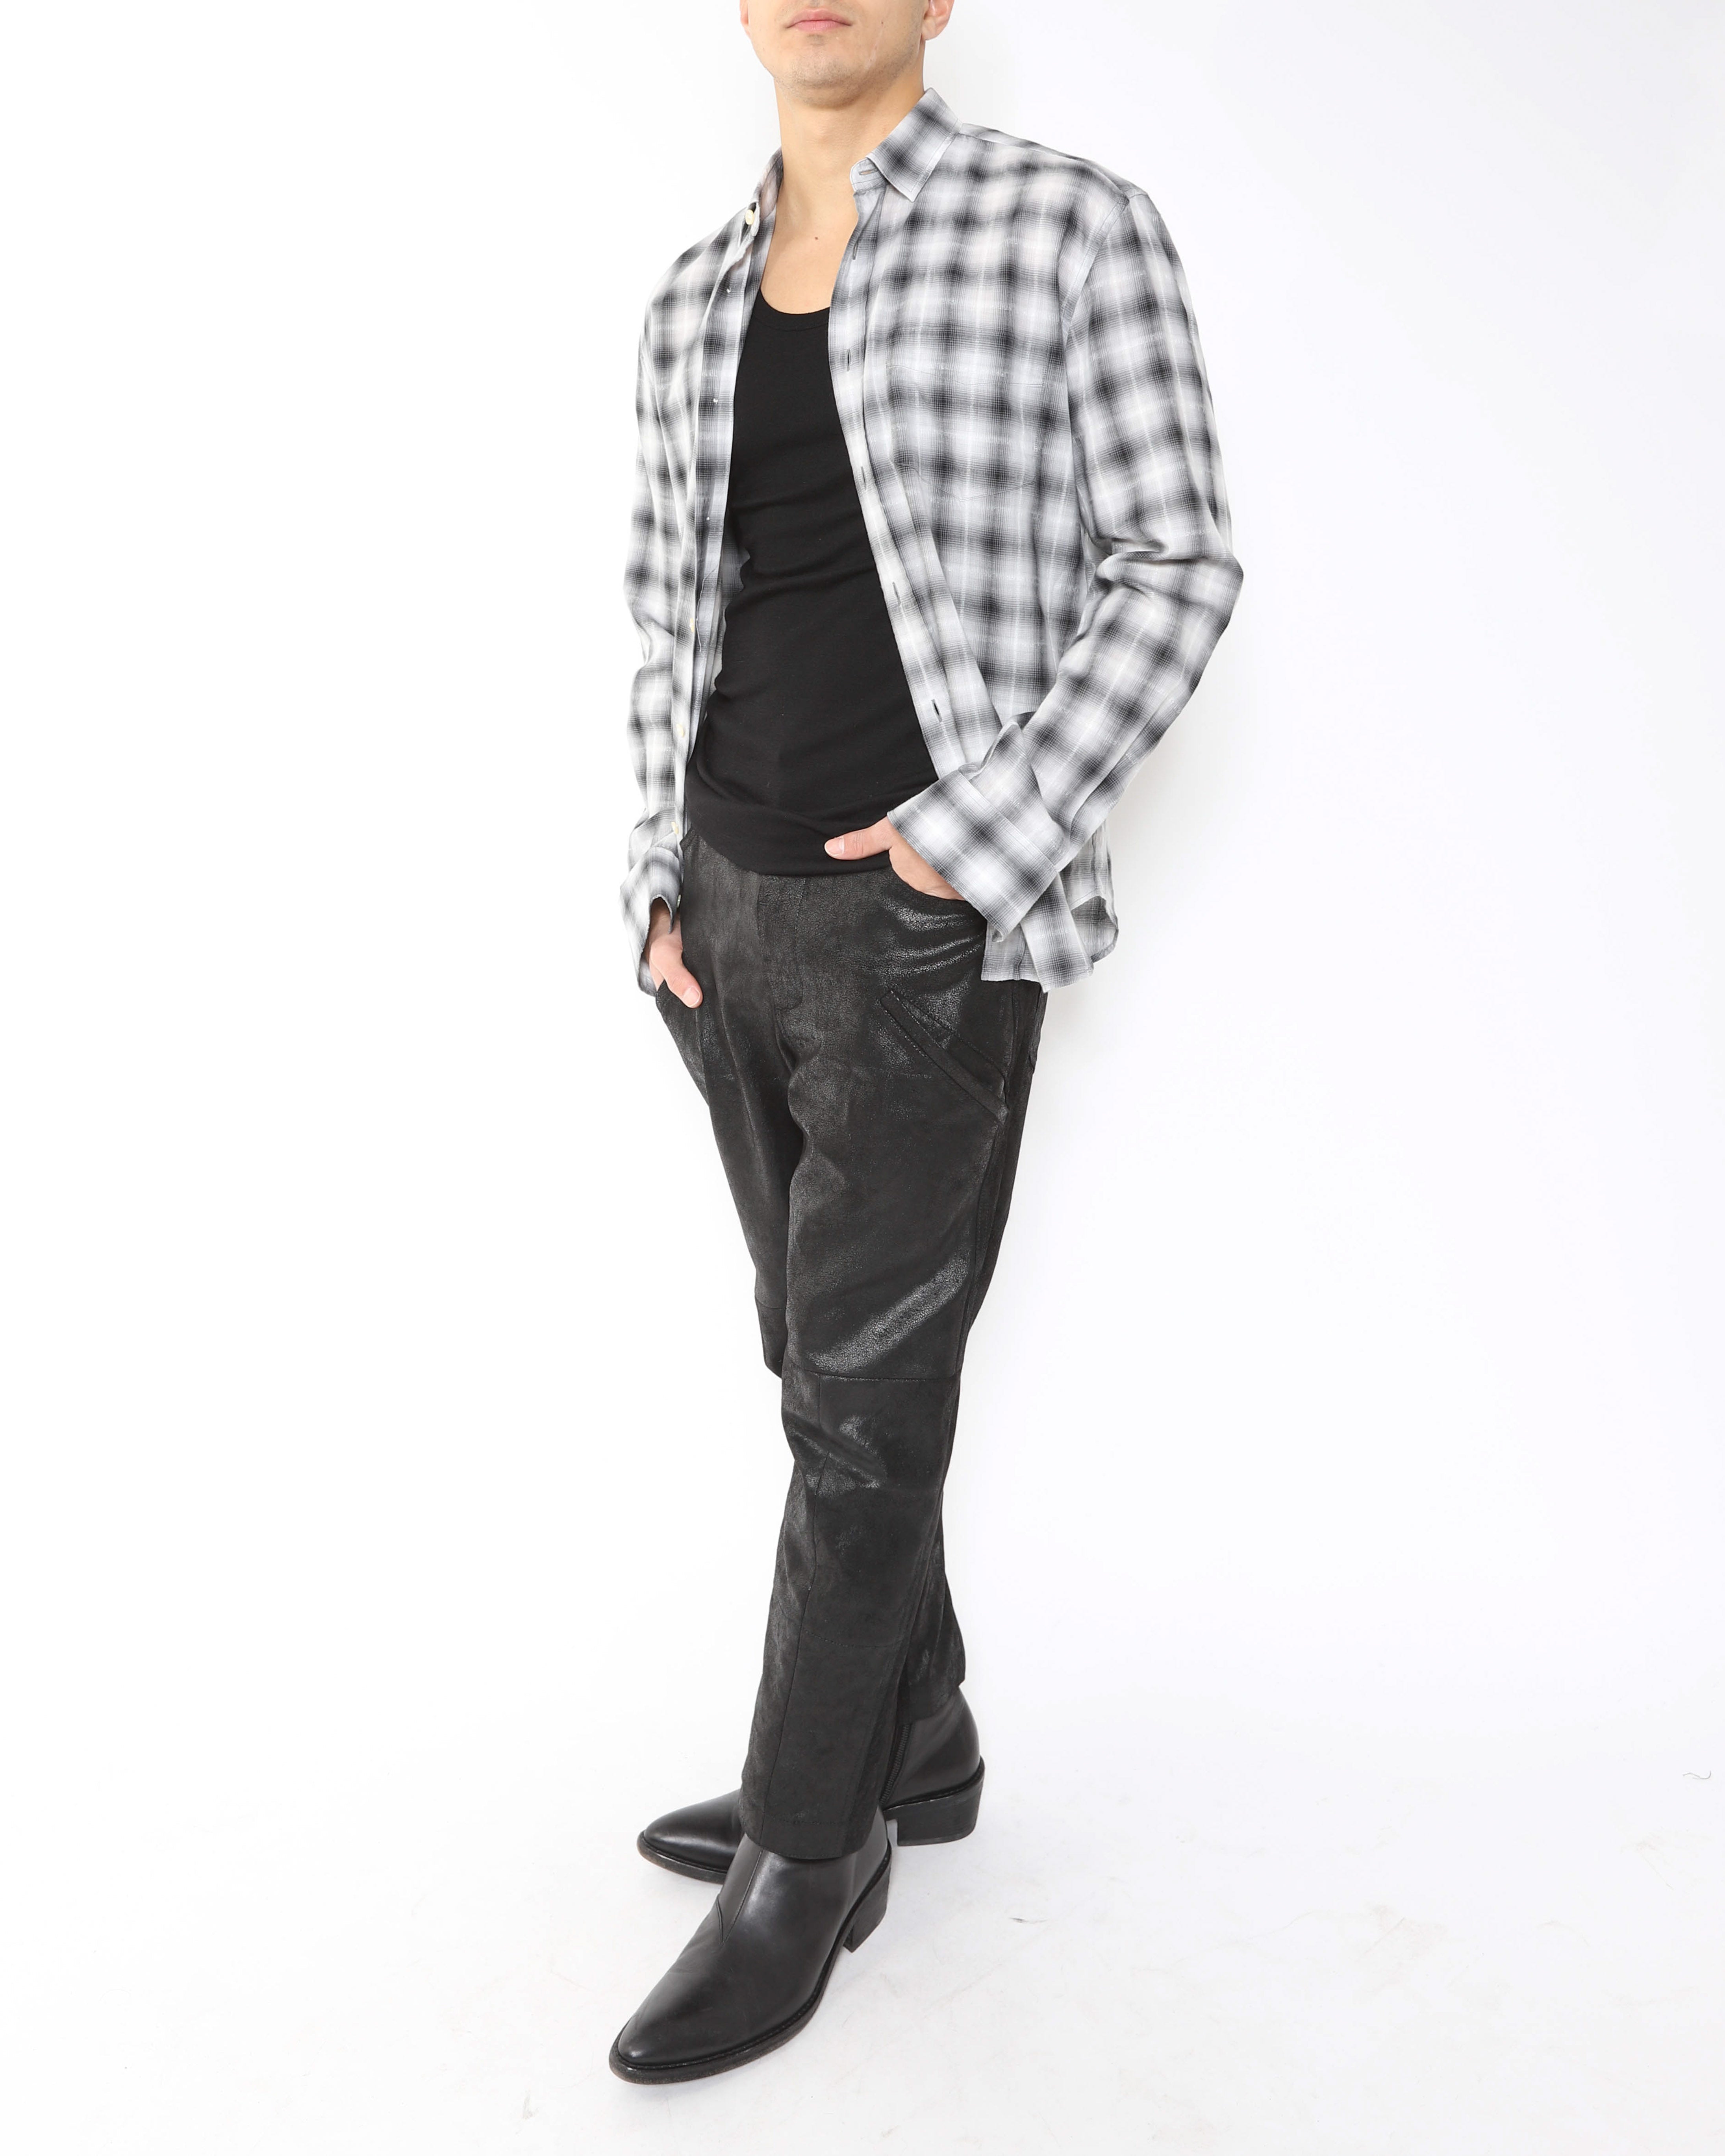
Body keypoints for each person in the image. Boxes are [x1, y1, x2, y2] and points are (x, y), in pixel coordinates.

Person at [610, 0, 1241, 2084]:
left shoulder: (1067, 229)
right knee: (821, 1364)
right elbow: (669, 610)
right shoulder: (689, 298)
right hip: (726, 917)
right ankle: (924, 1734)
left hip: (923, 928)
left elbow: (1178, 564)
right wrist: (656, 875)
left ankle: (811, 1846)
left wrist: (974, 843)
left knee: (861, 1416)